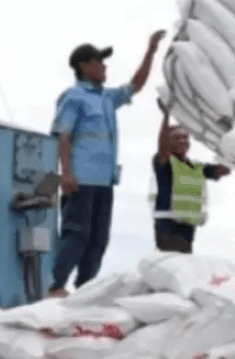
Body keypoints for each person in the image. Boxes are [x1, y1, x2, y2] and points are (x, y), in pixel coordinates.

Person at [48, 31, 165, 298]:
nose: (104, 67)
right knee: (76, 235)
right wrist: (65, 173)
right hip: (81, 179)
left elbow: (135, 85)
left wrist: (150, 52)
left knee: (98, 240)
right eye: (99, 61)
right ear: (84, 66)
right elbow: (62, 135)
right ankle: (55, 285)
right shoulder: (74, 97)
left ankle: (85, 289)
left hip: (104, 181)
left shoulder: (106, 98)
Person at [149, 98, 231, 253]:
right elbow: (162, 147)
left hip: (188, 227)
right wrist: (166, 116)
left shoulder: (197, 168)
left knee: (184, 263)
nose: (182, 140)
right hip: (167, 226)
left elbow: (224, 169)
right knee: (176, 265)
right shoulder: (165, 163)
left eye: (185, 137)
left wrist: (229, 139)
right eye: (176, 138)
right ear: (169, 142)